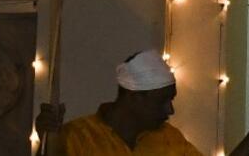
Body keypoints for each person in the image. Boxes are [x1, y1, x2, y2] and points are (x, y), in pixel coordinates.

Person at [36, 49, 202, 155]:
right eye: (162, 101)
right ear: (133, 97)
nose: (170, 110)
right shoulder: (77, 137)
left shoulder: (170, 139)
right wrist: (47, 141)